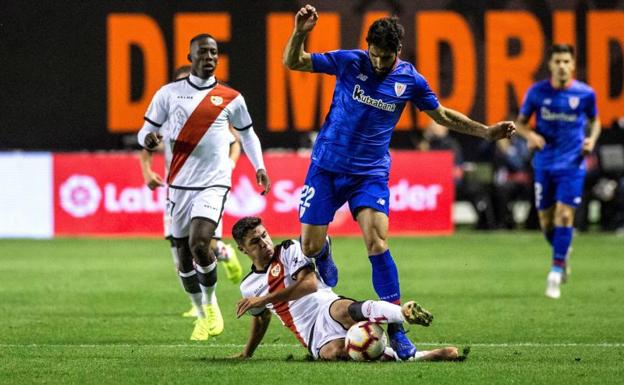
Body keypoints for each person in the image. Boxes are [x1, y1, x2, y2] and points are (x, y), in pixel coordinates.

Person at [283, 4, 515, 359]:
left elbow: (441, 114)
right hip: (326, 167)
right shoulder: (349, 61)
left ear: (399, 52)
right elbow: (294, 62)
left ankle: (398, 331)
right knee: (310, 248)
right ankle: (324, 250)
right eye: (374, 56)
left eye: (386, 57)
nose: (378, 63)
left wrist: (485, 131)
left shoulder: (410, 80)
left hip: (370, 172)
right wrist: (300, 31)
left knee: (377, 241)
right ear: (367, 48)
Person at [137, 34, 271, 340]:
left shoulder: (231, 98)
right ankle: (200, 310)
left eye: (214, 52)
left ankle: (211, 305)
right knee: (183, 257)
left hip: (213, 183)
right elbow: (146, 131)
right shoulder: (168, 94)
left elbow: (248, 136)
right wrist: (148, 139)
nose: (209, 57)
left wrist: (259, 166)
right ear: (190, 57)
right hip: (179, 185)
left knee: (200, 243)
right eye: (203, 52)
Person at [231, 216, 462, 362]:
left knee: (346, 310)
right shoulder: (249, 286)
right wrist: (247, 352)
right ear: (242, 249)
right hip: (310, 332)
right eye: (255, 242)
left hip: (324, 304)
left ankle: (402, 314)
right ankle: (419, 357)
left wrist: (264, 299)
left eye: (265, 235)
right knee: (341, 351)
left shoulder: (289, 249)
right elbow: (260, 319)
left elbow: (310, 284)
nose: (264, 243)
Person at [139, 65, 245, 318]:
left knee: (202, 244)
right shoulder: (165, 119)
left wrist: (229, 165)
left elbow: (236, 143)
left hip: (206, 185)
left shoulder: (210, 119)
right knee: (180, 251)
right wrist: (147, 172)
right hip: (175, 191)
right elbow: (146, 146)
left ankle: (222, 259)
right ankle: (197, 303)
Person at [515, 44, 601, 299]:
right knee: (546, 223)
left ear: (572, 65)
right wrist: (530, 135)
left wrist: (591, 140)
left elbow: (595, 121)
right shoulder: (537, 92)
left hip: (573, 163)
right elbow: (520, 123)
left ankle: (555, 272)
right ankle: (562, 254)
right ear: (550, 65)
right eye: (557, 61)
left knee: (565, 216)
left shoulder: (585, 94)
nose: (562, 66)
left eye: (566, 61)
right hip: (544, 163)